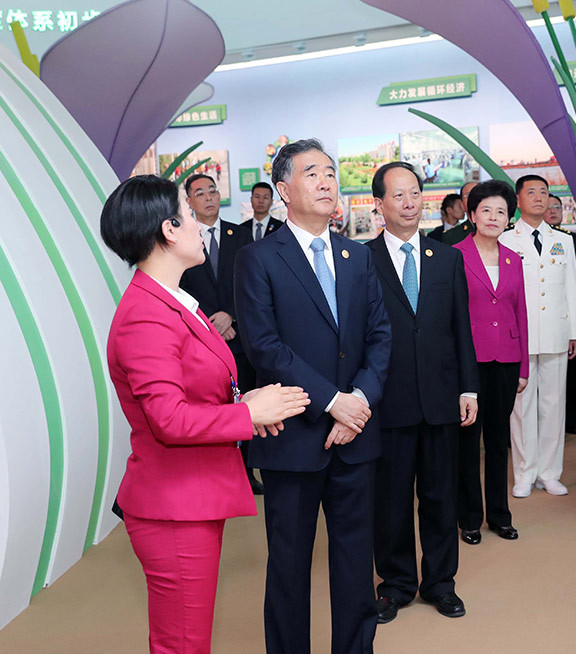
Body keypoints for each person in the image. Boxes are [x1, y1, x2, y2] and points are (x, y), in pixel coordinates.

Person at [101, 175, 308, 654]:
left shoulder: (172, 302)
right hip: (173, 507)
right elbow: (169, 420)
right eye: (189, 214)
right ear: (169, 229)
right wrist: (245, 414)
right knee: (182, 644)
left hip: (191, 496)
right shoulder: (147, 314)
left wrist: (247, 407)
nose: (199, 224)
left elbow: (192, 394)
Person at [234, 139, 392, 653]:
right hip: (294, 437)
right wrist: (332, 401)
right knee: (289, 566)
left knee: (355, 563)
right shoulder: (258, 258)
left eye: (330, 172)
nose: (326, 182)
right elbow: (265, 347)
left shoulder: (357, 256)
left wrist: (357, 402)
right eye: (312, 173)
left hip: (355, 435)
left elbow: (380, 336)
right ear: (283, 190)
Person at [366, 162, 479, 624]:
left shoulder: (446, 258)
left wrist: (468, 387)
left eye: (415, 193)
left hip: (440, 398)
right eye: (398, 195)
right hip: (387, 401)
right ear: (379, 204)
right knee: (390, 500)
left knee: (440, 497)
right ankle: (395, 585)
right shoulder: (361, 260)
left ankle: (440, 583)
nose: (409, 202)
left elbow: (461, 328)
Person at [454, 180, 529, 545]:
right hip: (470, 362)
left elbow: (521, 313)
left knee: (499, 442)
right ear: (472, 215)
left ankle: (500, 515)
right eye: (486, 210)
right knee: (468, 443)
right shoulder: (454, 256)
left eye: (501, 211)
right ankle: (469, 517)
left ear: (508, 218)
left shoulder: (514, 258)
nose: (493, 217)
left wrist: (523, 367)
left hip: (507, 359)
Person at [499, 174, 576, 497]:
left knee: (553, 406)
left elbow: (571, 287)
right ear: (518, 200)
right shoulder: (505, 239)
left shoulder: (563, 240)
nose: (538, 197)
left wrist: (574, 331)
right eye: (531, 192)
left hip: (556, 333)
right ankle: (524, 473)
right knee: (520, 408)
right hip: (519, 336)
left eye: (543, 192)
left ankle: (549, 472)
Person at [180, 174, 262, 494]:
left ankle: (247, 472)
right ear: (189, 202)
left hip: (239, 338)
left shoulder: (240, 235)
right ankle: (217, 474)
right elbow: (180, 287)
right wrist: (209, 323)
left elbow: (253, 283)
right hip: (201, 339)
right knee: (211, 408)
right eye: (200, 193)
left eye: (212, 191)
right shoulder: (182, 237)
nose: (208, 197)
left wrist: (230, 316)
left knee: (246, 405)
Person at [543, 193, 576, 435]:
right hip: (540, 322)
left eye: (557, 207)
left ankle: (570, 421)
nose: (553, 211)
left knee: (568, 376)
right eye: (549, 207)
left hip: (564, 319)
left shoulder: (574, 241)